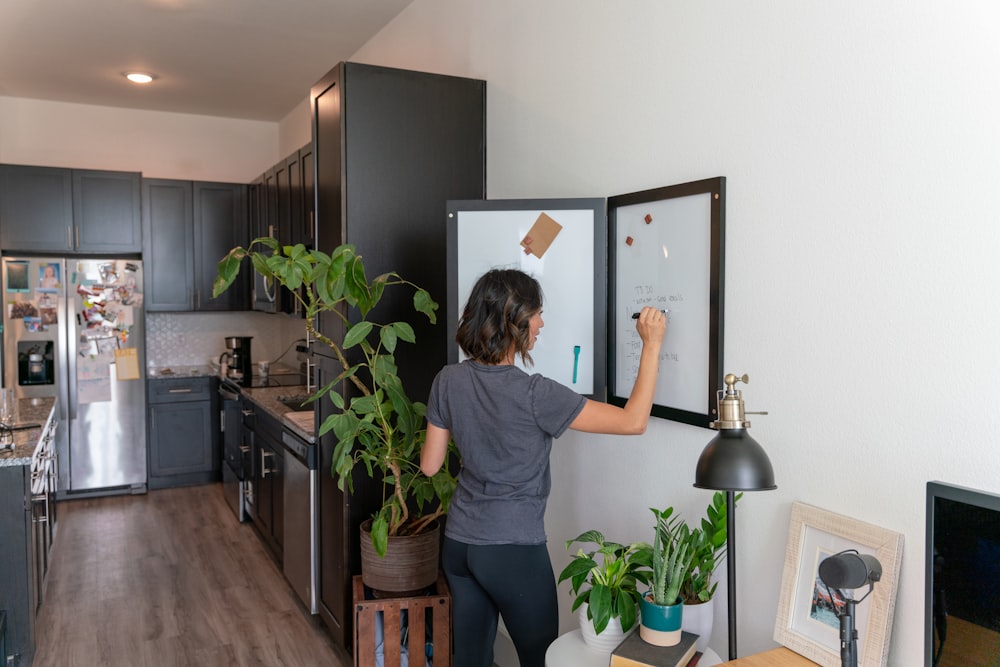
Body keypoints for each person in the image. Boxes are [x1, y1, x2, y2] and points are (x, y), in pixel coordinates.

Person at [420, 269, 667, 667]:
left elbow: (430, 466)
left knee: (470, 660)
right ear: (514, 321)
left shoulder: (447, 380)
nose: (541, 323)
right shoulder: (536, 394)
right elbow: (633, 421)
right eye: (536, 314)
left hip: (460, 545)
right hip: (513, 551)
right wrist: (652, 344)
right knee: (542, 660)